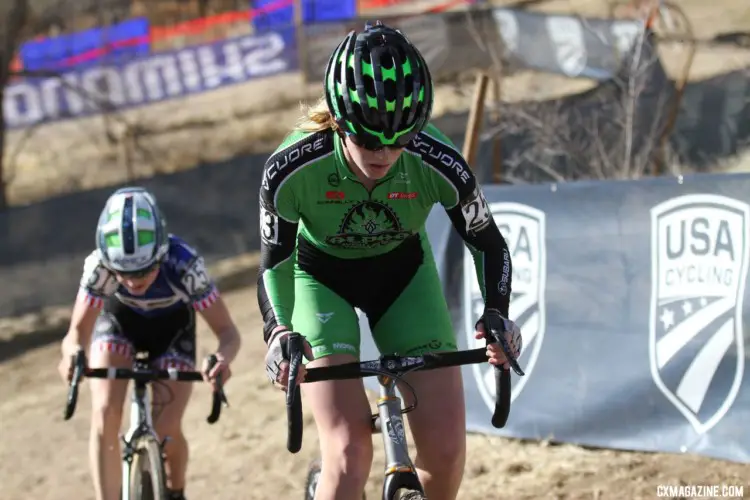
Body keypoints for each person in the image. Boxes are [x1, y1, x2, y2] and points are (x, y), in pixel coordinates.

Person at [257, 21, 523, 500]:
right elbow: (273, 263)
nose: (385, 153)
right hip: (319, 280)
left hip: (403, 278)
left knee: (444, 457)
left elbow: (488, 243)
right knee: (347, 455)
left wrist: (498, 313)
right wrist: (278, 332)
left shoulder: (438, 161)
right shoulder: (291, 168)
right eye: (370, 141)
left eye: (400, 140)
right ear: (339, 123)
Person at [57, 187, 242, 500]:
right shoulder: (98, 268)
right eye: (122, 272)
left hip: (172, 331)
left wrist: (221, 358)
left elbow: (228, 333)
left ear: (161, 253)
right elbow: (76, 333)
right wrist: (72, 354)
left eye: (143, 270)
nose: (132, 281)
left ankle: (176, 491)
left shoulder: (184, 265)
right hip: (119, 325)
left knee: (167, 426)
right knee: (104, 412)